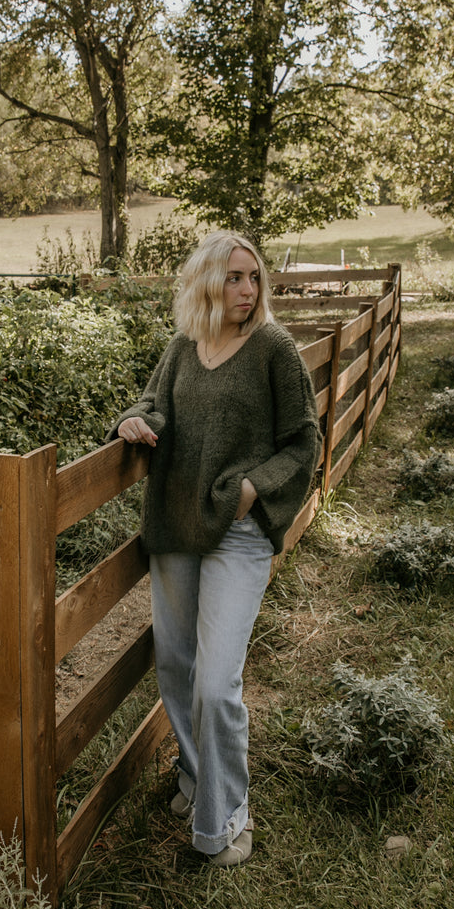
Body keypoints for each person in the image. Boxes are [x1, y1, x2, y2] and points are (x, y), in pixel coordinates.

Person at [108, 230, 320, 866]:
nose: (248, 289)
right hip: (175, 526)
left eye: (253, 277)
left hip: (238, 532)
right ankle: (199, 777)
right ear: (205, 281)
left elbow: (303, 442)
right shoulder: (182, 347)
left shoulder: (273, 349)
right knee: (176, 666)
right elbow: (154, 403)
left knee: (215, 683)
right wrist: (133, 422)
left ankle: (227, 818)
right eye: (234, 277)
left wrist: (254, 489)